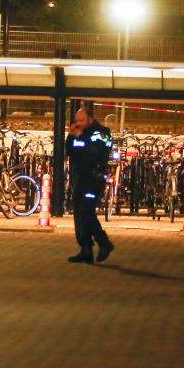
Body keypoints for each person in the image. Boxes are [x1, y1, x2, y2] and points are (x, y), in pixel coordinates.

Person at [66, 107, 114, 264]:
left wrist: (80, 137)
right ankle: (85, 249)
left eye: (81, 120)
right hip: (80, 178)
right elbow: (70, 151)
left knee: (86, 211)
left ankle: (104, 242)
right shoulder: (80, 133)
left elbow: (96, 152)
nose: (78, 123)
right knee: (79, 213)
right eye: (77, 120)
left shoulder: (102, 133)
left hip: (94, 178)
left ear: (90, 119)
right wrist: (71, 136)